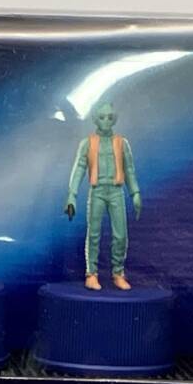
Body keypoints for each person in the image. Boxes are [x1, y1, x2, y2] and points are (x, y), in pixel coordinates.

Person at [63, 103, 141, 290]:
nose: (106, 121)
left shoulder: (122, 143)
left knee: (120, 235)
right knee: (94, 234)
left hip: (116, 191)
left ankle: (118, 273)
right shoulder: (88, 143)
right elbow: (79, 168)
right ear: (95, 119)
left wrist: (135, 192)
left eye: (110, 117)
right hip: (97, 191)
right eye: (102, 117)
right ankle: (91, 274)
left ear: (114, 119)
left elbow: (129, 169)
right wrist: (72, 195)